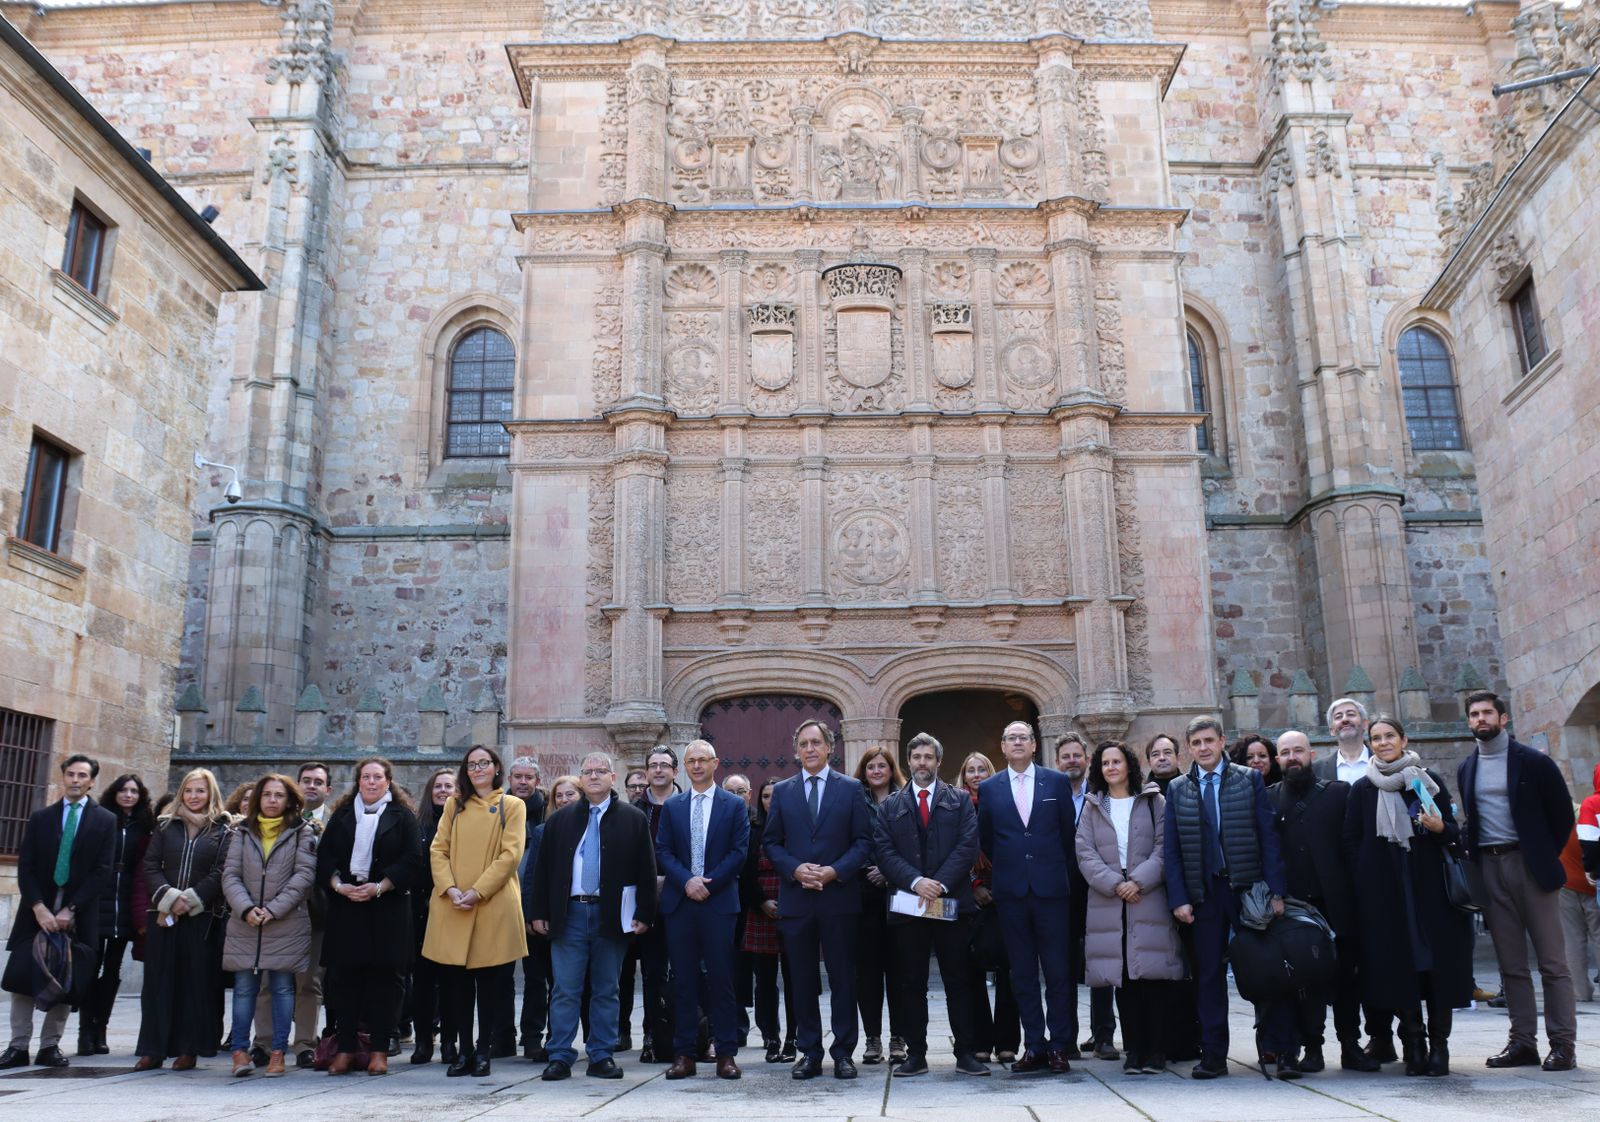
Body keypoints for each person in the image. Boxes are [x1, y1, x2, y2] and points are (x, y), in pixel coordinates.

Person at [1344, 715, 1473, 1076]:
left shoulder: (1425, 781)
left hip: (1430, 893)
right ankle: (1413, 1043)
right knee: (1400, 969)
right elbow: (1351, 841)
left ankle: (1440, 1047)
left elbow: (1453, 834)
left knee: (1436, 969)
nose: (1383, 743)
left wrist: (1438, 828)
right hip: (1386, 894)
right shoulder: (1363, 789)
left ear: (1403, 739)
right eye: (1377, 738)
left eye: (1389, 736)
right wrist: (1366, 878)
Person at [1456, 690, 1577, 1071]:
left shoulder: (1534, 762)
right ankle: (1523, 1042)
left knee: (1553, 962)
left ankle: (1563, 1044)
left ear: (1503, 718)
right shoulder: (1466, 768)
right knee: (1511, 965)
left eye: (1487, 713)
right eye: (1474, 714)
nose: (1480, 720)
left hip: (1530, 865)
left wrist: (1540, 854)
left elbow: (1561, 817)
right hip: (1490, 867)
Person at [1162, 716, 1289, 1080]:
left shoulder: (1248, 780)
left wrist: (1276, 892)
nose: (1203, 748)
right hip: (1204, 896)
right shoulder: (1178, 789)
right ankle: (1214, 1055)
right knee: (1208, 977)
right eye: (1196, 743)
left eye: (1208, 741)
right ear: (1189, 748)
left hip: (1248, 891)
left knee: (1264, 972)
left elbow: (1268, 838)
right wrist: (1179, 899)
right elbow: (1172, 851)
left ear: (1221, 742)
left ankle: (1277, 1047)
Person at [528, 751, 658, 1082]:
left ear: (613, 777)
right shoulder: (561, 820)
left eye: (601, 771)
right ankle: (559, 1055)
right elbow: (543, 870)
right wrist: (539, 912)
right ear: (581, 778)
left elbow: (646, 868)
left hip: (611, 914)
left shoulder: (632, 818)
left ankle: (601, 1055)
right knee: (565, 988)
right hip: (569, 913)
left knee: (606, 988)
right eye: (588, 771)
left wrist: (644, 912)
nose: (594, 776)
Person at [763, 719, 873, 1080]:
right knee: (802, 980)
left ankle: (843, 1052)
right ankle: (809, 1051)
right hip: (797, 899)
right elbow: (772, 843)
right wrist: (795, 870)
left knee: (843, 977)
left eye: (816, 743)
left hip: (838, 897)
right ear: (797, 751)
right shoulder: (783, 792)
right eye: (804, 744)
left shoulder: (852, 788)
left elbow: (863, 842)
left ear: (830, 748)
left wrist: (834, 871)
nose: (810, 749)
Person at [873, 732, 985, 1077]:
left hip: (950, 904)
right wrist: (916, 882)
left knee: (958, 980)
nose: (923, 763)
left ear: (938, 761)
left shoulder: (959, 800)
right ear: (909, 761)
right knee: (911, 982)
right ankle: (916, 1054)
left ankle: (965, 1052)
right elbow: (884, 851)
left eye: (929, 757)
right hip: (909, 907)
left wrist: (939, 884)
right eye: (917, 757)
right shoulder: (889, 805)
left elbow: (968, 845)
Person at [0, 754, 116, 1070]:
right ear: (63, 777)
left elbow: (102, 870)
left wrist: (72, 909)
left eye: (82, 775)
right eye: (71, 774)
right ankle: (17, 1046)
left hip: (78, 913)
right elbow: (26, 867)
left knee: (67, 978)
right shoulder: (42, 818)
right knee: (22, 977)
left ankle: (50, 1045)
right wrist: (38, 906)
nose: (76, 780)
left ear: (92, 781)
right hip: (36, 911)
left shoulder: (105, 820)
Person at [1075, 741, 1183, 1076]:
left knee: (1152, 977)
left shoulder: (1153, 800)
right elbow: (1084, 852)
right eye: (1105, 763)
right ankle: (1134, 1051)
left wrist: (1137, 881)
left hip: (1147, 895)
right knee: (1124, 978)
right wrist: (1114, 883)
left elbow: (1166, 847)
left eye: (1116, 761)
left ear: (1129, 765)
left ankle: (1156, 1051)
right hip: (1109, 898)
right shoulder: (1094, 806)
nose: (1111, 768)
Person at [1271, 731, 1376, 1073]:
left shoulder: (1338, 793)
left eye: (1298, 750)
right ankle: (1312, 1048)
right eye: (1285, 752)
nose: (1292, 757)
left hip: (1338, 903)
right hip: (1297, 908)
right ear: (1277, 760)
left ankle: (1350, 1046)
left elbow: (1352, 845)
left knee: (1347, 979)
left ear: (1311, 754)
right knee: (1305, 982)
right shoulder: (1271, 798)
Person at [977, 721, 1077, 1075]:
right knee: (1022, 973)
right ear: (1002, 747)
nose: (1018, 742)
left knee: (1058, 972)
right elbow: (988, 839)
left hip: (1051, 891)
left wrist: (1046, 866)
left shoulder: (1057, 782)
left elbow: (1068, 834)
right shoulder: (990, 788)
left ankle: (1060, 1046)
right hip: (1012, 892)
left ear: (1034, 745)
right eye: (1011, 738)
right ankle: (1034, 1045)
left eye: (1024, 737)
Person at [423, 745, 527, 1078]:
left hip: (492, 903)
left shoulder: (511, 805)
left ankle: (484, 1050)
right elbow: (438, 850)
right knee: (457, 987)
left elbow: (510, 855)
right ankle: (463, 1049)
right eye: (472, 764)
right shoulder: (454, 805)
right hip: (453, 904)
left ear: (497, 768)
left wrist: (478, 890)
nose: (478, 769)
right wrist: (450, 888)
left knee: (491, 985)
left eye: (484, 763)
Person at [317, 757, 425, 1076]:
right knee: (345, 980)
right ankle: (346, 1049)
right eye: (366, 777)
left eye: (378, 777)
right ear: (358, 781)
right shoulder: (342, 816)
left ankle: (379, 1050)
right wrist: (339, 886)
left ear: (388, 781)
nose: (372, 782)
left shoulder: (402, 817)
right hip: (348, 906)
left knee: (386, 982)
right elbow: (325, 857)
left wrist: (380, 886)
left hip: (388, 908)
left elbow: (413, 860)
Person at [657, 739, 750, 1080]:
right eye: (691, 761)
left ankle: (726, 1053)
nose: (697, 765)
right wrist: (687, 882)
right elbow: (664, 851)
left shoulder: (733, 805)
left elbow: (739, 852)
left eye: (703, 760)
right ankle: (685, 1054)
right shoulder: (674, 806)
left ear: (715, 763)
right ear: (684, 767)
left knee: (722, 980)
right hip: (681, 904)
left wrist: (707, 884)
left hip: (719, 903)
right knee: (684, 981)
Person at [133, 767, 232, 1071]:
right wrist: (169, 897)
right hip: (163, 915)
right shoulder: (165, 826)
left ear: (210, 794)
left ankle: (189, 1048)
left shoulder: (224, 829)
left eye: (200, 791)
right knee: (157, 984)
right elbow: (150, 865)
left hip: (201, 917)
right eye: (188, 791)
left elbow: (221, 871)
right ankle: (153, 1048)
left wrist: (189, 900)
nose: (193, 797)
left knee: (194, 984)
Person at [223, 774, 316, 1077]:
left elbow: (303, 875)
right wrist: (247, 908)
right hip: (246, 922)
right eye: (267, 795)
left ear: (289, 800)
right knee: (244, 989)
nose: (272, 800)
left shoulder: (302, 832)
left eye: (279, 795)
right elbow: (231, 875)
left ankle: (278, 1052)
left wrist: (273, 910)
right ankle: (239, 1051)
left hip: (284, 922)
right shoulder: (242, 832)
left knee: (281, 987)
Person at [79, 772, 152, 1057]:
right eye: (124, 790)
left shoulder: (144, 826)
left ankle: (101, 1027)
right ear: (114, 793)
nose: (128, 795)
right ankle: (86, 1029)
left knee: (112, 969)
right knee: (91, 965)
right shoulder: (101, 819)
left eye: (134, 791)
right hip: (100, 896)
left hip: (126, 898)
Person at [1058, 732, 1115, 1061]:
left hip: (1098, 889)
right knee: (1063, 964)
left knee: (1102, 962)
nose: (1071, 761)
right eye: (1065, 756)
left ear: (1086, 759)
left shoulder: (1102, 796)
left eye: (1076, 755)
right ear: (1057, 761)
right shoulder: (1049, 794)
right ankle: (1066, 1037)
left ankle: (1103, 1035)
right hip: (1062, 892)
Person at [960, 752, 1019, 1065]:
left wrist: (999, 886)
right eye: (971, 770)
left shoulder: (1003, 804)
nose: (977, 774)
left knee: (1011, 970)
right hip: (971, 899)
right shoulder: (957, 808)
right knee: (972, 971)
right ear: (963, 775)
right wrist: (975, 886)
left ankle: (1008, 1042)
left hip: (1006, 894)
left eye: (982, 768)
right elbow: (956, 853)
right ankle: (980, 1041)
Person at [520, 775, 581, 1061]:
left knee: (564, 985)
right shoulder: (544, 831)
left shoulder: (593, 831)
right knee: (536, 980)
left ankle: (558, 1039)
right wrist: (533, 916)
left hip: (573, 918)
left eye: (571, 794)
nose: (565, 800)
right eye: (560, 795)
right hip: (544, 920)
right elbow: (532, 877)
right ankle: (531, 1038)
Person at [853, 745, 907, 1066]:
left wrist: (888, 871)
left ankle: (899, 1038)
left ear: (890, 770)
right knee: (867, 972)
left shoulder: (905, 800)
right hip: (862, 893)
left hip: (898, 891)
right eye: (870, 766)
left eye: (881, 766)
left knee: (900, 969)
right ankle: (872, 1038)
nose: (875, 771)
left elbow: (914, 844)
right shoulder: (852, 802)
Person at [627, 745, 679, 1062]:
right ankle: (652, 1036)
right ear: (646, 772)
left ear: (675, 770)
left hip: (683, 897)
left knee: (691, 970)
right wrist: (649, 883)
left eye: (664, 765)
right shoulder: (634, 811)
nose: (658, 770)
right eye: (653, 765)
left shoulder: (688, 805)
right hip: (646, 902)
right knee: (652, 972)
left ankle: (694, 1034)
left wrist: (672, 879)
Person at [741, 776, 796, 1063]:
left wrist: (788, 902)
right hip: (760, 908)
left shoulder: (796, 830)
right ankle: (770, 1036)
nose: (770, 801)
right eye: (765, 796)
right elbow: (745, 872)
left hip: (793, 908)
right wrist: (762, 901)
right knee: (763, 982)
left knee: (795, 979)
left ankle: (793, 1038)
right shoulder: (752, 831)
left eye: (775, 795)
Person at [410, 768, 458, 1065]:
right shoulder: (418, 826)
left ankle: (450, 1041)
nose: (442, 790)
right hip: (420, 913)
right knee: (423, 981)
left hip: (453, 910)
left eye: (448, 786)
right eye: (437, 786)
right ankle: (424, 1040)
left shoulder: (462, 823)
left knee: (452, 980)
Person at [503, 755, 544, 1059]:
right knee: (500, 975)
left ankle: (532, 1037)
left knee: (536, 977)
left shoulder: (547, 812)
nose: (522, 782)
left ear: (537, 781)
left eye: (528, 777)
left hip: (533, 906)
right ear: (509, 779)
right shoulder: (498, 810)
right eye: (517, 777)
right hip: (501, 904)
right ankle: (501, 1035)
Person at [1315, 698, 1372, 784]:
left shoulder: (1384, 763)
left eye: (1351, 714)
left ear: (1365, 724)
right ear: (1332, 730)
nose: (1345, 719)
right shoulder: (1317, 770)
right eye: (1338, 717)